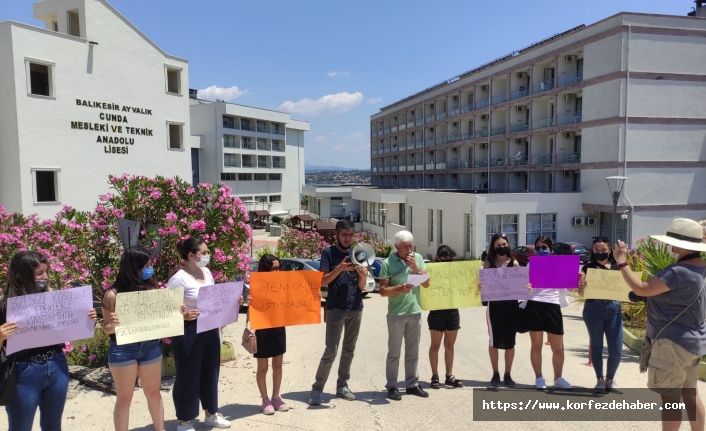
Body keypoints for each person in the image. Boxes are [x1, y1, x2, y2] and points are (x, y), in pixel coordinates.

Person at [614, 218, 706, 430]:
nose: (669, 246)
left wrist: (622, 262)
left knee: (671, 399)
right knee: (691, 394)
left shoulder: (678, 271)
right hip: (693, 341)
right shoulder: (700, 268)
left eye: (673, 241)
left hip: (671, 343)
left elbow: (642, 288)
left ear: (683, 245)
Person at [0, 251, 97, 431]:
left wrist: (87, 318)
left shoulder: (54, 299)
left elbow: (71, 327)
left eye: (45, 271)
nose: (44, 276)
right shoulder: (5, 306)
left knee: (53, 425)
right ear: (23, 275)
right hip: (23, 371)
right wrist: (1, 336)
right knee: (20, 427)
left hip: (56, 365)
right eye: (39, 273)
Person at [166, 237, 234, 430]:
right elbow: (167, 312)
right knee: (188, 374)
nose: (208, 256)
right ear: (191, 255)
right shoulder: (178, 279)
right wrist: (184, 316)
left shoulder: (207, 272)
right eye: (204, 253)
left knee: (211, 371)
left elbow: (214, 299)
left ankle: (211, 414)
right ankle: (184, 420)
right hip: (188, 332)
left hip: (210, 328)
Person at [102, 246, 167, 431]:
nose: (149, 268)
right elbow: (106, 328)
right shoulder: (112, 295)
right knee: (124, 398)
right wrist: (113, 325)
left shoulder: (150, 290)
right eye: (146, 265)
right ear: (133, 267)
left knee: (154, 393)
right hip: (123, 349)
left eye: (150, 264)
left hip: (150, 347)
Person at [308, 220, 368, 405]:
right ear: (337, 234)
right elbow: (322, 281)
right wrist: (340, 268)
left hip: (356, 308)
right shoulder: (328, 252)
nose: (348, 238)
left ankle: (342, 386)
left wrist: (363, 275)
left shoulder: (358, 252)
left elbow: (362, 286)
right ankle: (317, 388)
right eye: (344, 235)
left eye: (351, 235)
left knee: (349, 350)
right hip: (335, 309)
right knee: (331, 350)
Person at [379, 230, 430, 401]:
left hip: (415, 311)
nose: (409, 250)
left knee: (413, 352)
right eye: (405, 247)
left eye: (411, 246)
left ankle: (412, 384)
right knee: (394, 352)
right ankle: (392, 386)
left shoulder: (419, 258)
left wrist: (415, 268)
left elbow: (427, 283)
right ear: (396, 247)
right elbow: (383, 291)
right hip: (396, 313)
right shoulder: (387, 263)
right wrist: (400, 288)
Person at [522, 236, 572, 390]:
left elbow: (568, 289)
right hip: (535, 305)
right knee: (536, 346)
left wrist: (574, 280)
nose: (541, 250)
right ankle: (539, 378)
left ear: (551, 249)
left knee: (558, 348)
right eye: (538, 248)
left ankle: (558, 378)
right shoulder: (531, 265)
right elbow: (524, 287)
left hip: (553, 306)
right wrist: (527, 287)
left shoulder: (559, 265)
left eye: (544, 247)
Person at [578, 237, 623, 394]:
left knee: (616, 349)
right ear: (592, 251)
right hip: (593, 308)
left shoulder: (618, 268)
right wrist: (581, 285)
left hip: (614, 308)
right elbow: (581, 293)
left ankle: (610, 379)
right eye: (596, 250)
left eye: (603, 250)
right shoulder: (587, 268)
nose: (600, 253)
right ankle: (599, 380)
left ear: (609, 250)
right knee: (597, 346)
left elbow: (626, 287)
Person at [479, 233, 520, 388]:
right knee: (494, 342)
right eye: (499, 245)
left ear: (508, 245)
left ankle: (507, 374)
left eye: (504, 244)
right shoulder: (488, 263)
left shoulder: (514, 263)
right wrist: (481, 287)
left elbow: (519, 286)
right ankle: (495, 373)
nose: (502, 247)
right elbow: (483, 285)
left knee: (510, 343)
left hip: (511, 308)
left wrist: (526, 287)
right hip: (494, 308)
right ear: (493, 247)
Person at [250, 254, 289, 415]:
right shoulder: (257, 285)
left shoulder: (284, 284)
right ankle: (265, 399)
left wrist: (314, 298)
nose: (278, 271)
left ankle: (276, 397)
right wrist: (249, 301)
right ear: (265, 269)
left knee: (278, 365)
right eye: (274, 268)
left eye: (279, 267)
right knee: (263, 368)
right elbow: (250, 313)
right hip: (262, 329)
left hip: (279, 327)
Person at [426, 245, 463, 389]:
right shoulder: (432, 271)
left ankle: (449, 375)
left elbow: (465, 285)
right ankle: (435, 375)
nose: (448, 260)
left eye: (450, 257)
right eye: (444, 257)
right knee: (435, 345)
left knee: (450, 346)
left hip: (453, 311)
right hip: (437, 312)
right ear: (437, 257)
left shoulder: (456, 272)